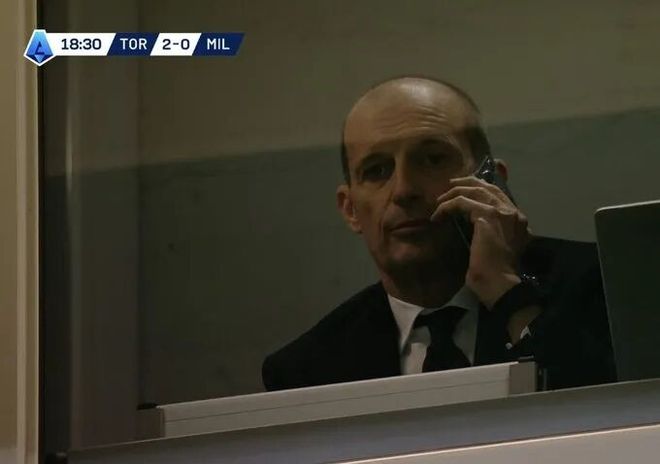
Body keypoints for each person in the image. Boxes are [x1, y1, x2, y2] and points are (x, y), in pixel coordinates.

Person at [262, 76, 615, 391]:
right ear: (350, 209)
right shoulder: (306, 370)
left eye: (432, 159)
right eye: (377, 170)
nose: (404, 190)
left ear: (493, 185)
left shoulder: (608, 289)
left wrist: (507, 293)